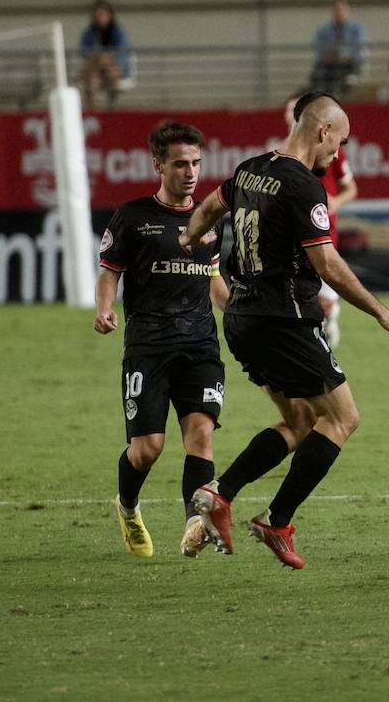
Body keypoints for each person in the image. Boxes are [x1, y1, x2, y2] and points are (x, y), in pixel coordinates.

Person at [181, 92, 389, 569]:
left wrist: (188, 240)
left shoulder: (249, 168)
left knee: (299, 422)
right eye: (340, 141)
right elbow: (326, 262)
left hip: (242, 321)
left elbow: (208, 208)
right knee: (343, 417)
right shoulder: (303, 186)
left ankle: (219, 492)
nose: (338, 153)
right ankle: (277, 519)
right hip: (284, 321)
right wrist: (381, 312)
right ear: (323, 131)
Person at [95, 120, 229, 559]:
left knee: (201, 435)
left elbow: (212, 278)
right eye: (179, 164)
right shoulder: (133, 217)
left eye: (196, 162)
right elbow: (110, 271)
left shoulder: (210, 217)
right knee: (148, 448)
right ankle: (128, 506)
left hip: (200, 346)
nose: (190, 172)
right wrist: (104, 308)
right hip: (148, 347)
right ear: (157, 165)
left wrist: (245, 311)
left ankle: (194, 522)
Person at [283, 94, 358, 348]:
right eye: (290, 109)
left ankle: (328, 320)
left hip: (324, 230)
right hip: (293, 236)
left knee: (325, 290)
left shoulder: (333, 151)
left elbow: (350, 188)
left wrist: (335, 202)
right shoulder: (280, 156)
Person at [79, 0, 132, 109]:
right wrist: (98, 58)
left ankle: (111, 107)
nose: (100, 18)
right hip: (96, 70)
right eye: (97, 15)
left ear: (109, 15)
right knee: (93, 78)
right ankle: (93, 109)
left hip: (115, 68)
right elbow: (83, 51)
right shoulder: (90, 32)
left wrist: (102, 58)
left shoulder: (117, 32)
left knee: (100, 69)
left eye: (102, 14)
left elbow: (120, 53)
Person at [311, 0, 367, 95]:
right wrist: (331, 56)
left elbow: (359, 51)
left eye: (342, 9)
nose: (339, 12)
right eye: (336, 9)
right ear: (332, 10)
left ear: (347, 10)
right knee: (317, 75)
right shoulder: (323, 31)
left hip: (349, 66)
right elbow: (319, 53)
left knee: (350, 78)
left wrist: (343, 55)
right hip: (329, 66)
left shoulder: (357, 29)